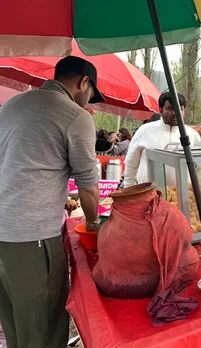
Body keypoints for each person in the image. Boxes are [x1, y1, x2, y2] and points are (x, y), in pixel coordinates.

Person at [0, 56, 102, 348]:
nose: (88, 100)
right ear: (84, 82)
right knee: (43, 330)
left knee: (15, 324)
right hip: (32, 239)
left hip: (3, 234)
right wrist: (93, 223)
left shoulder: (12, 105)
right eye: (91, 93)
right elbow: (89, 186)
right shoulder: (75, 115)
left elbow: (23, 166)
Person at [123, 92, 201, 187]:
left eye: (179, 109)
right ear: (160, 110)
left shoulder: (192, 135)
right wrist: (128, 189)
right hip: (148, 194)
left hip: (183, 196)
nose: (175, 113)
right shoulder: (144, 131)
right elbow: (131, 164)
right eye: (170, 109)